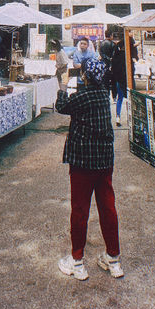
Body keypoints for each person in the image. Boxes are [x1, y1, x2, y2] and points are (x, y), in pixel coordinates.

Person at [55, 57, 123, 281]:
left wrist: (62, 83)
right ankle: (113, 259)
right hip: (104, 160)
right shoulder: (104, 95)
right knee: (108, 208)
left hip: (83, 161)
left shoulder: (82, 97)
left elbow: (61, 106)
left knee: (80, 209)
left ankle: (77, 261)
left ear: (86, 76)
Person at [110, 32, 138, 126]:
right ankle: (132, 119)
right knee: (130, 99)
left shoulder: (116, 55)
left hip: (118, 79)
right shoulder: (128, 56)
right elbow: (133, 67)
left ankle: (118, 118)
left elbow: (113, 68)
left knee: (120, 98)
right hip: (128, 79)